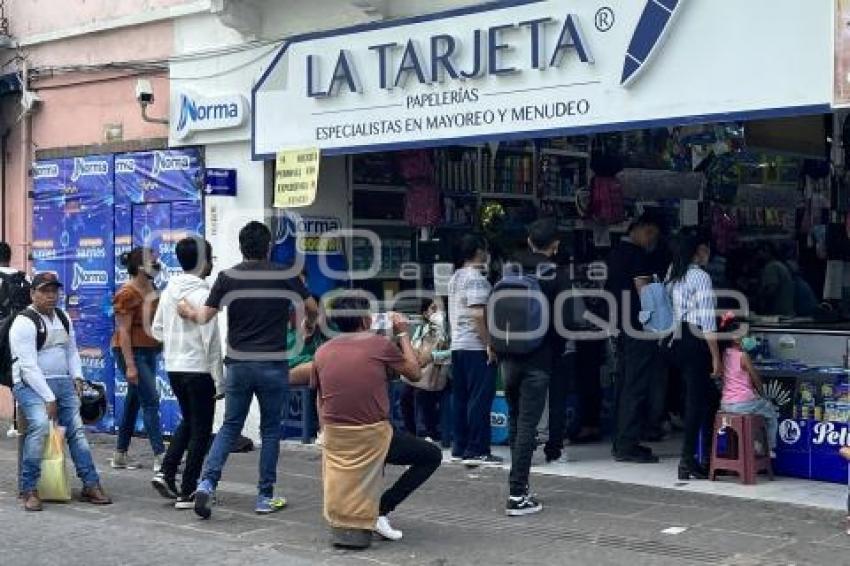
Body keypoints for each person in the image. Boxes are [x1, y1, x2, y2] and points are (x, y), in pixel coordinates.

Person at [177, 221, 318, 518]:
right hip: (273, 365)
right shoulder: (285, 274)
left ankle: (206, 483)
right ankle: (264, 496)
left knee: (229, 427)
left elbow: (204, 317)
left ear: (242, 248)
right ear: (268, 247)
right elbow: (312, 306)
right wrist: (309, 322)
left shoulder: (227, 277)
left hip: (238, 365)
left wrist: (188, 311)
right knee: (270, 431)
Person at [298, 293, 441, 544]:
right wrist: (402, 333)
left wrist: (325, 432)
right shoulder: (378, 345)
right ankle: (380, 510)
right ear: (366, 320)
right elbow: (415, 373)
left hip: (336, 435)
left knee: (380, 446)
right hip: (373, 435)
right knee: (431, 456)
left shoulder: (322, 352)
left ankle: (368, 512)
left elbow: (320, 397)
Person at [11, 272, 112, 511]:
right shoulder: (24, 322)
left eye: (54, 291)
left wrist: (77, 376)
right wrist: (48, 397)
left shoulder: (63, 317)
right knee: (38, 427)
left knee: (76, 431)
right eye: (44, 291)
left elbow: (71, 351)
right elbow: (28, 366)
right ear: (32, 293)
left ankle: (90, 484)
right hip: (30, 384)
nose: (50, 296)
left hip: (63, 383)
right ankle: (29, 488)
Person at [497, 218, 572, 516]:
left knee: (516, 419)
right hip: (539, 359)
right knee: (529, 423)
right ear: (555, 245)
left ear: (529, 241)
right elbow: (566, 321)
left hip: (508, 355)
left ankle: (520, 485)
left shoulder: (510, 268)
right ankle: (517, 495)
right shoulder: (558, 274)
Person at [150, 236, 224, 509]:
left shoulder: (170, 290)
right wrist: (220, 379)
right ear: (204, 262)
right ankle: (188, 489)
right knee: (201, 429)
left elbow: (157, 329)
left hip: (174, 366)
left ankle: (167, 472)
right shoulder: (204, 294)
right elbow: (212, 342)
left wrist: (176, 340)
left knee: (190, 421)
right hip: (199, 368)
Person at [605, 214, 663, 463]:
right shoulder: (637, 256)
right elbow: (645, 292)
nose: (651, 240)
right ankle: (627, 444)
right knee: (636, 385)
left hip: (621, 325)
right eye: (649, 233)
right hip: (639, 328)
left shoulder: (615, 254)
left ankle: (621, 440)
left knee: (624, 383)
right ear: (637, 229)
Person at [666, 230, 721, 481]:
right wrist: (716, 358)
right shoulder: (700, 277)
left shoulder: (674, 273)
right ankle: (688, 460)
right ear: (699, 250)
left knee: (705, 399)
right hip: (696, 339)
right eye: (707, 249)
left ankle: (702, 458)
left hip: (677, 339)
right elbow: (708, 322)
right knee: (697, 400)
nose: (709, 254)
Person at [448, 234, 501, 467]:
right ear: (479, 251)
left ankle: (460, 446)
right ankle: (477, 448)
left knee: (460, 398)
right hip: (475, 346)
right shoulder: (476, 279)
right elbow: (478, 314)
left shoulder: (455, 277)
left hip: (458, 346)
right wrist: (489, 342)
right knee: (479, 399)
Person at [111, 247, 164, 472]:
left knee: (134, 403)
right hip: (132, 352)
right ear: (141, 267)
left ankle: (120, 455)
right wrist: (130, 365)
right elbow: (123, 332)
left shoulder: (152, 287)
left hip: (149, 351)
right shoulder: (127, 293)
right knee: (151, 400)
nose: (158, 265)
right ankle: (161, 456)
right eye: (155, 262)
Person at [717, 317, 778, 456]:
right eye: (746, 335)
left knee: (756, 414)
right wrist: (762, 393)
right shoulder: (743, 356)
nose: (749, 338)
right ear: (735, 338)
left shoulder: (724, 354)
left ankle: (755, 443)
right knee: (770, 411)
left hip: (726, 403)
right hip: (743, 403)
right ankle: (769, 447)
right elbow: (755, 378)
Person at [400, 297, 450, 441]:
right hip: (422, 371)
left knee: (421, 394)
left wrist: (433, 356)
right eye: (432, 309)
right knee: (405, 395)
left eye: (438, 309)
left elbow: (452, 353)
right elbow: (414, 345)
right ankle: (411, 434)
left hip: (440, 372)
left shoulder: (447, 329)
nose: (436, 312)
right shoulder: (422, 328)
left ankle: (431, 432)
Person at [756, 243, 795, 317]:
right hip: (787, 312)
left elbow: (772, 289)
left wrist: (760, 299)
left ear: (767, 252)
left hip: (777, 314)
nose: (758, 255)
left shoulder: (771, 267)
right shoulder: (780, 265)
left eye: (760, 252)